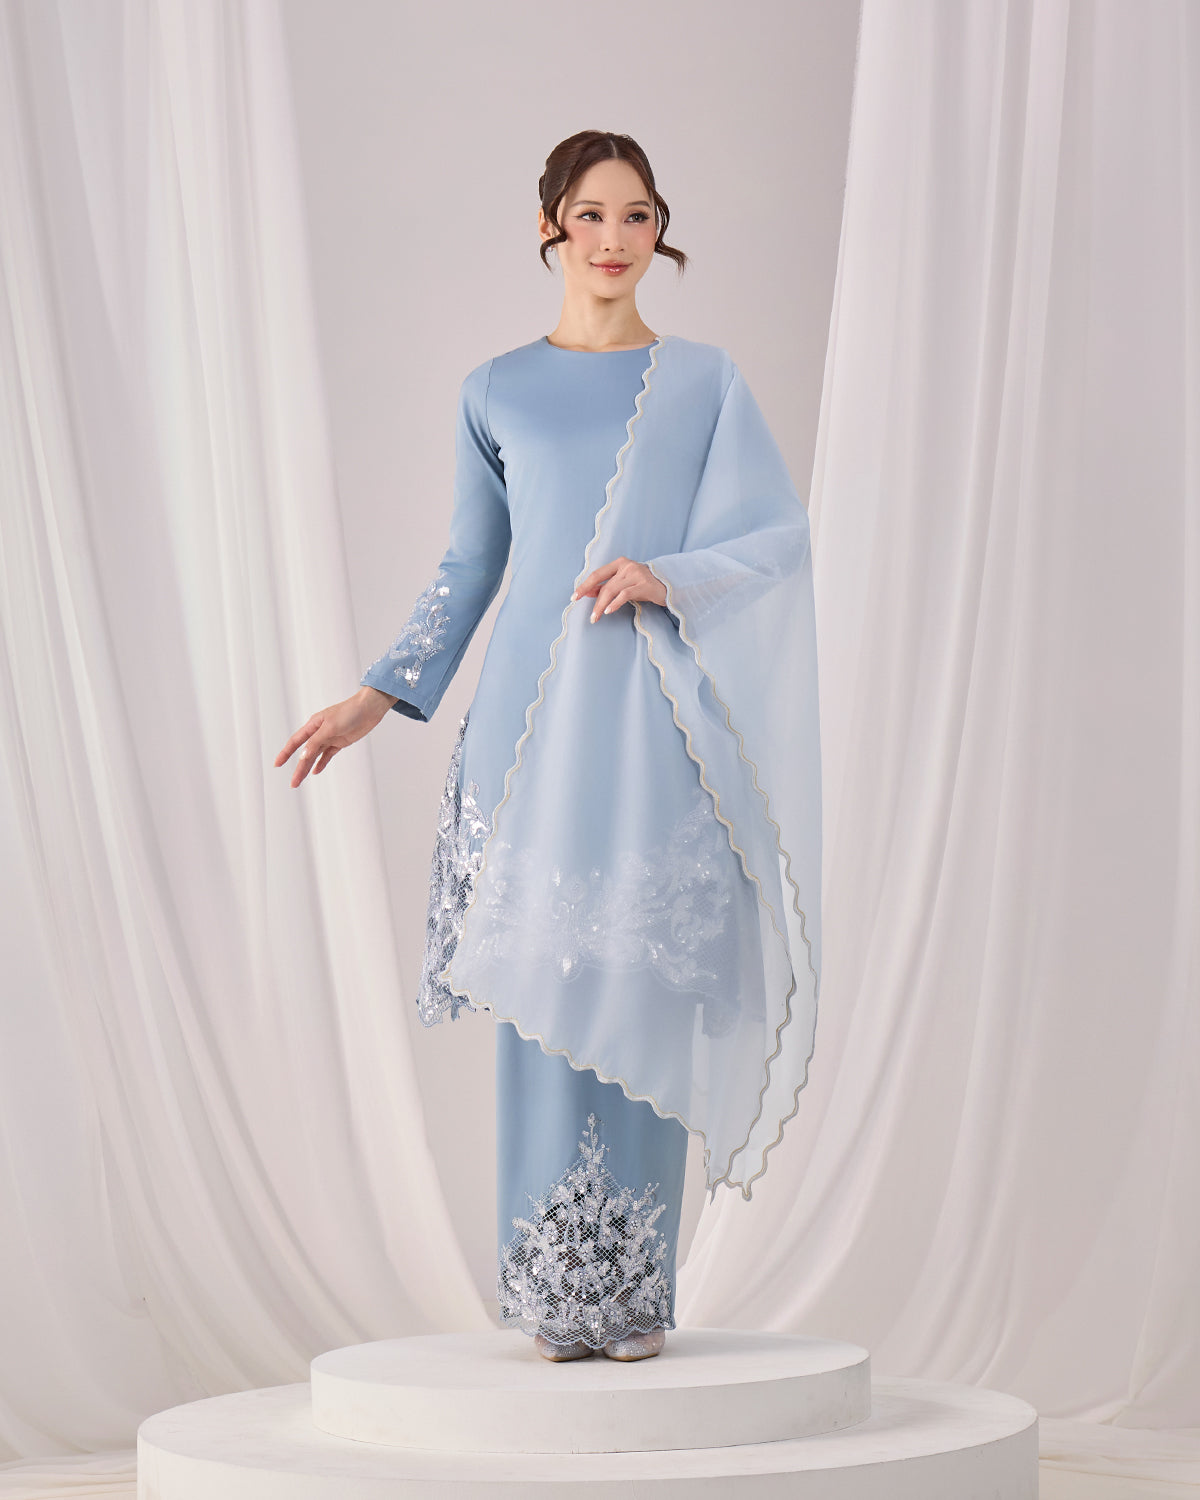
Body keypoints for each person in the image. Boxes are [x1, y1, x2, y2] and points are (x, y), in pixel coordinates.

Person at [275, 130, 822, 1364]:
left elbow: (775, 538)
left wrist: (668, 574)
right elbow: (472, 564)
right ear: (549, 228)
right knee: (537, 995)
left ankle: (633, 1297)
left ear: (659, 230)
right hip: (524, 730)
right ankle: (551, 1297)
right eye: (590, 215)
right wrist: (378, 694)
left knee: (638, 985)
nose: (614, 239)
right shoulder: (496, 390)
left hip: (647, 724)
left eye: (637, 216)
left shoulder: (705, 382)